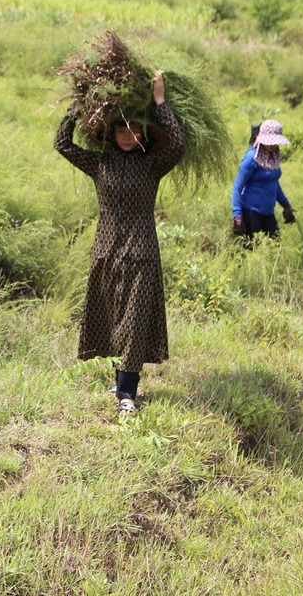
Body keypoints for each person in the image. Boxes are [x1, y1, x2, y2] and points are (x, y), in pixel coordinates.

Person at [54, 71, 184, 415]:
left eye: (134, 130)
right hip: (107, 251)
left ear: (143, 135)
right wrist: (78, 105)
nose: (128, 136)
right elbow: (62, 144)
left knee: (135, 319)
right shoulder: (99, 163)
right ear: (111, 134)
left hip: (142, 252)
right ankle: (120, 379)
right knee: (113, 316)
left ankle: (127, 392)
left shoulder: (153, 165)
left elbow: (178, 144)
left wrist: (160, 103)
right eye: (122, 130)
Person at [231, 119, 295, 240]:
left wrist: (285, 204)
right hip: (250, 212)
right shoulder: (252, 158)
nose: (272, 145)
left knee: (275, 249)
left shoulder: (274, 156)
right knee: (251, 251)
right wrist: (237, 215)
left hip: (268, 212)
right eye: (269, 142)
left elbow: (273, 182)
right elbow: (237, 185)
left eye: (275, 142)